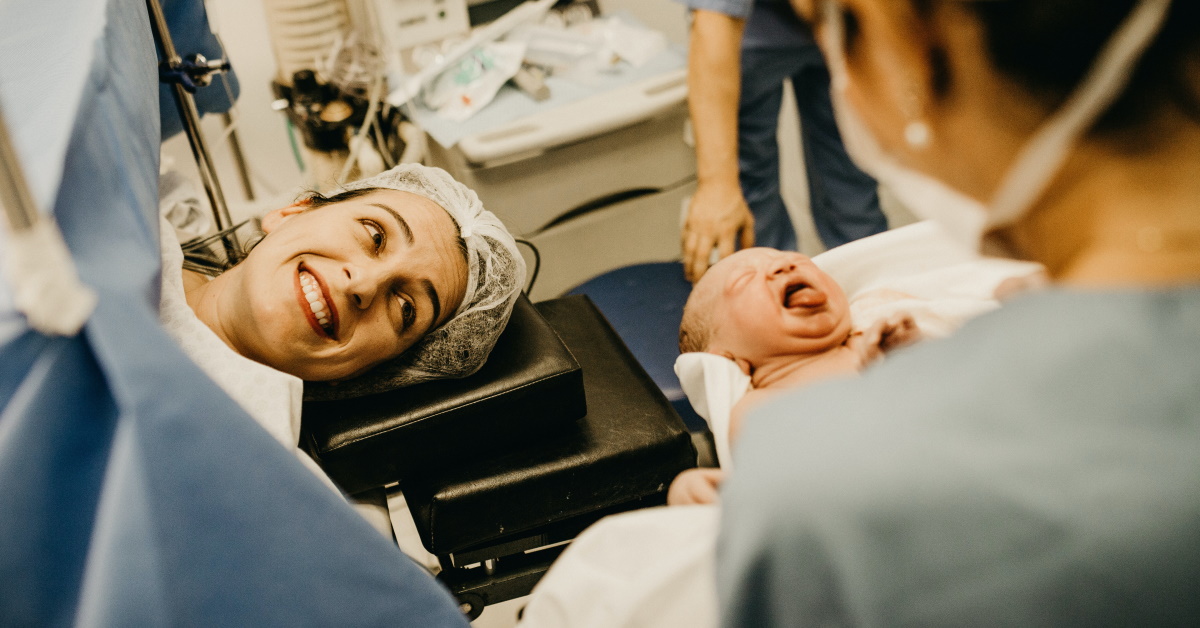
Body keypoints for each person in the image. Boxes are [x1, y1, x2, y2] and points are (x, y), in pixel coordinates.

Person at [719, 0, 1200, 625]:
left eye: (836, 30)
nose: (782, 268)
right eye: (743, 280)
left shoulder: (822, 495)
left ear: (909, 49)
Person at [678, 0, 888, 283]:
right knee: (749, 199)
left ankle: (876, 288)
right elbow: (716, 23)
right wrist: (717, 185)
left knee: (853, 182)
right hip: (752, 33)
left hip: (846, 23)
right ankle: (773, 288)